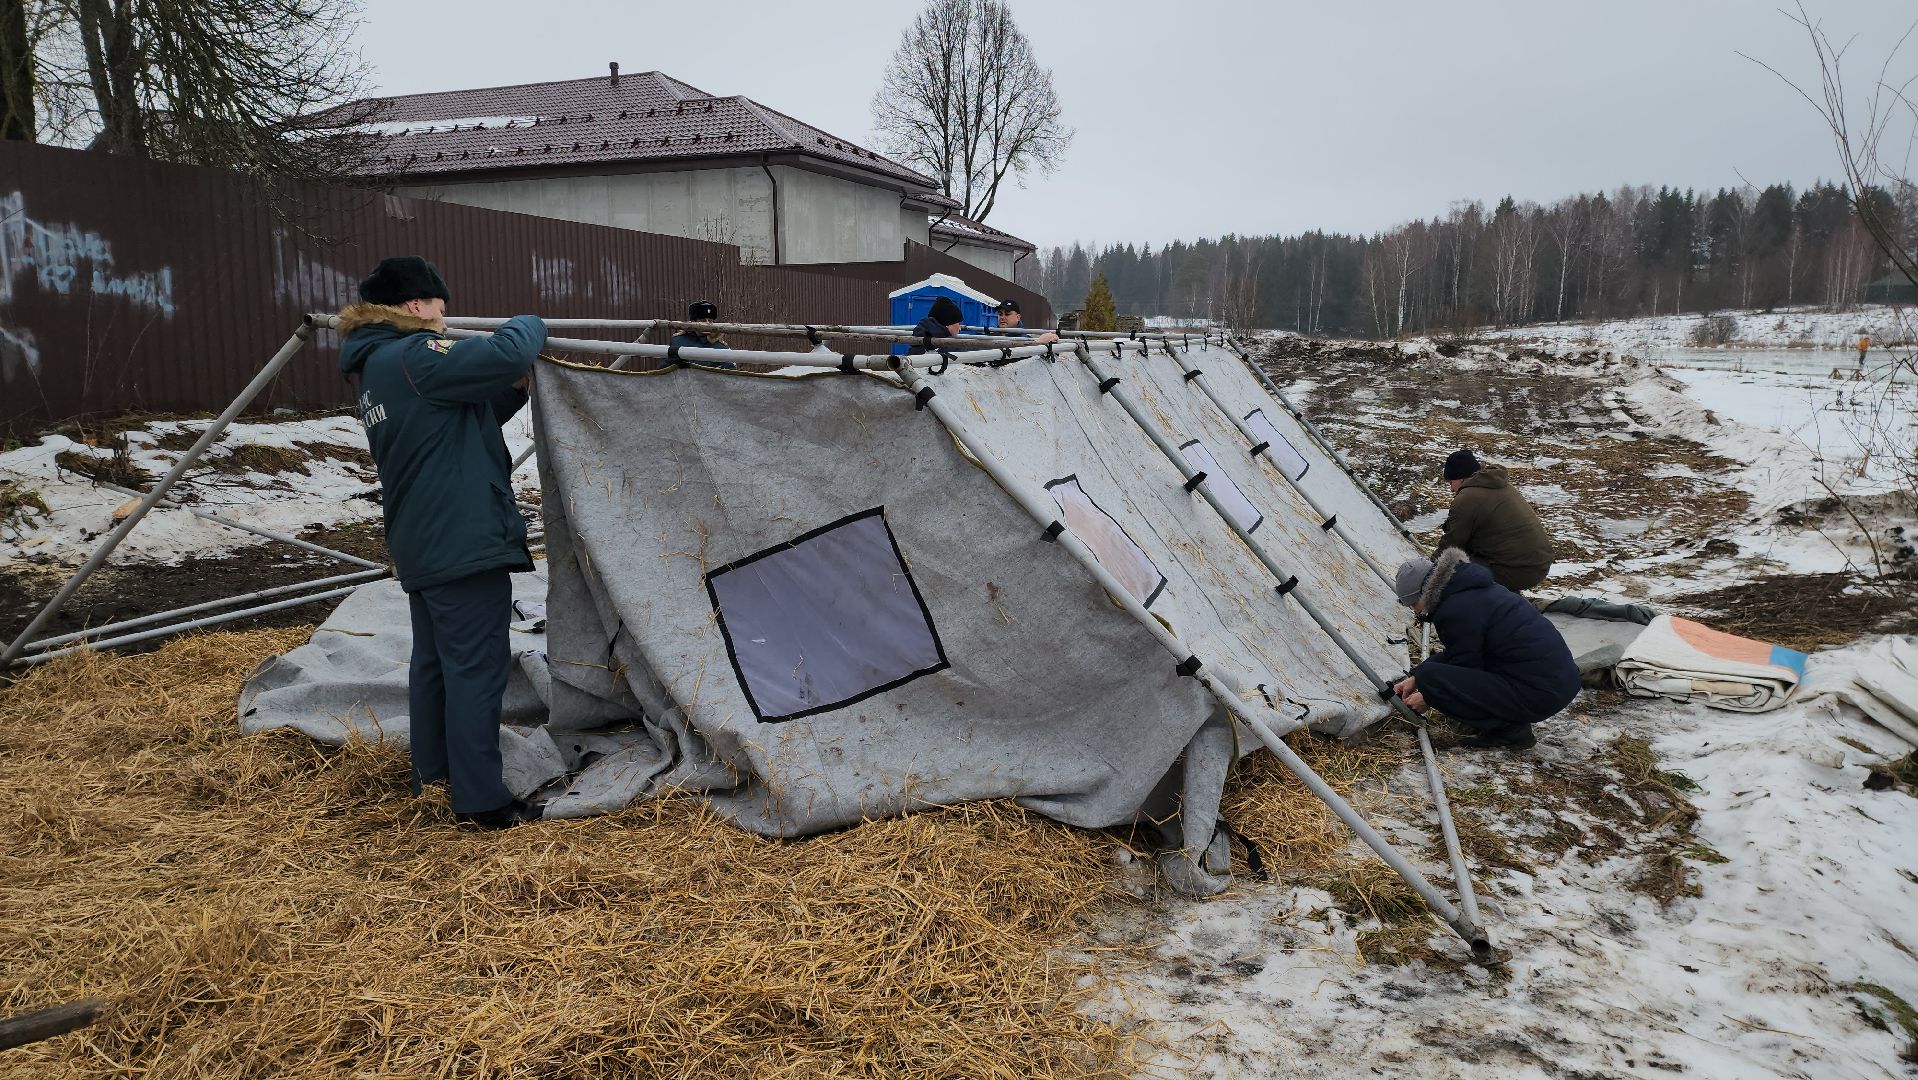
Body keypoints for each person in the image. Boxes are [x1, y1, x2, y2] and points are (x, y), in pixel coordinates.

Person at [337, 256, 546, 830]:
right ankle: (482, 800)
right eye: (439, 307)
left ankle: (433, 779)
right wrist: (530, 321)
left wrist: (513, 391)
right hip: (461, 540)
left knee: (434, 667)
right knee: (477, 670)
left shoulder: (378, 366)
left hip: (422, 539)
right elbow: (507, 351)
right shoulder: (413, 354)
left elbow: (452, 417)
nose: (444, 319)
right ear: (414, 306)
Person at [1391, 549, 1581, 751]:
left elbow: (1464, 668)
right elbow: (1464, 652)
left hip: (1539, 693)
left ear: (1423, 594)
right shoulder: (1475, 591)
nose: (1415, 611)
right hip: (1558, 683)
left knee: (1432, 678)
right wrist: (1416, 677)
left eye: (1413, 604)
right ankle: (1506, 721)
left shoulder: (1454, 610)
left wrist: (1429, 695)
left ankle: (1510, 731)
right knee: (1428, 675)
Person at [1435, 448, 1554, 593]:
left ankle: (1496, 608)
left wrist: (1429, 570)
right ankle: (1508, 600)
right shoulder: (1497, 484)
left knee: (1457, 574)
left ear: (1460, 477)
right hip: (1538, 564)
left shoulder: (1467, 498)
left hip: (1520, 570)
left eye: (1450, 482)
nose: (1451, 489)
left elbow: (1452, 544)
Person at [666, 299, 736, 369]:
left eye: (710, 320)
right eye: (703, 320)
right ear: (693, 321)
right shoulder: (678, 341)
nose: (707, 324)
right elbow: (664, 369)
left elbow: (730, 375)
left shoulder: (721, 347)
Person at [996, 298, 1060, 344]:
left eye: (1007, 314)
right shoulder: (989, 335)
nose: (1002, 317)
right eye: (1000, 314)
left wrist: (1038, 343)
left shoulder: (1026, 338)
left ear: (1018, 317)